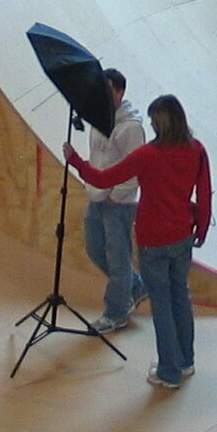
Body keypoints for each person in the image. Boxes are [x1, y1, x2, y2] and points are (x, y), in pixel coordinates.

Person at [66, 93, 210, 389]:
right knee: (180, 297)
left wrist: (76, 161)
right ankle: (186, 362)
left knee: (162, 305)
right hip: (183, 235)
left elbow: (105, 179)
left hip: (153, 240)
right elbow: (205, 194)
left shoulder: (148, 155)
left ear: (157, 125)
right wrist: (202, 229)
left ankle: (168, 371)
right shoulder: (196, 150)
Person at [79, 68, 145, 335]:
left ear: (120, 93)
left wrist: (118, 197)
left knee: (118, 261)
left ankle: (116, 313)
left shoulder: (131, 128)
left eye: (107, 92)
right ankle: (136, 286)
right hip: (97, 197)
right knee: (95, 248)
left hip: (119, 204)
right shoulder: (98, 119)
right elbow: (98, 156)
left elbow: (136, 168)